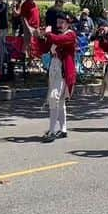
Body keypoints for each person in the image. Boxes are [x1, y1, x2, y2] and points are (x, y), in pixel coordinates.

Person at [32, 11, 77, 142]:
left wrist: (47, 34)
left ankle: (52, 130)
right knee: (60, 101)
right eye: (58, 22)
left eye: (62, 22)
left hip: (64, 70)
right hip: (54, 67)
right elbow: (44, 49)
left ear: (68, 24)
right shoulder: (55, 34)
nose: (59, 25)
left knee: (54, 98)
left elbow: (59, 40)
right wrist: (40, 37)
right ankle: (63, 129)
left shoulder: (70, 35)